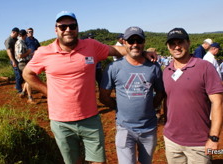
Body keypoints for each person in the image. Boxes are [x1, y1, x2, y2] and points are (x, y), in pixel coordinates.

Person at [22, 11, 156, 164]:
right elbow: (28, 73)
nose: (68, 30)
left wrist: (140, 51)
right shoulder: (44, 52)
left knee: (99, 161)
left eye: (72, 26)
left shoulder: (91, 46)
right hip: (61, 121)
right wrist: (47, 91)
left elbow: (116, 50)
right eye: (63, 26)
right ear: (56, 29)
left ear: (77, 28)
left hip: (90, 118)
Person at [100, 26, 165, 164]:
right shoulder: (114, 68)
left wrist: (150, 107)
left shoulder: (154, 67)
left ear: (144, 42)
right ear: (124, 43)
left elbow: (160, 92)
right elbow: (104, 96)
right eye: (131, 40)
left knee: (146, 162)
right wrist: (119, 107)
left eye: (139, 40)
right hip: (124, 128)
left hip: (149, 128)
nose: (135, 44)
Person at [163, 27, 223, 164]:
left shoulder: (205, 67)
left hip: (199, 142)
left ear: (188, 43)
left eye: (180, 42)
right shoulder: (167, 71)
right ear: (168, 47)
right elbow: (167, 100)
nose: (176, 47)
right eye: (172, 43)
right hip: (171, 141)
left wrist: (214, 138)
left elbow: (218, 102)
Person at [15, 29, 35, 104]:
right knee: (29, 79)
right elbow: (20, 55)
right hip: (23, 63)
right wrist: (28, 52)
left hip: (25, 62)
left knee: (27, 79)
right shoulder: (20, 42)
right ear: (25, 35)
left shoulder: (21, 42)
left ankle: (23, 92)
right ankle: (30, 98)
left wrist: (30, 54)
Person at [4, 27, 23, 93]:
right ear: (14, 32)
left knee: (20, 73)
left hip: (18, 59)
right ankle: (19, 90)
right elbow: (8, 51)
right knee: (18, 74)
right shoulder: (8, 40)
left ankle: (17, 86)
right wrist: (13, 61)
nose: (18, 35)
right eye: (17, 34)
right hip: (13, 60)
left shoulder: (15, 39)